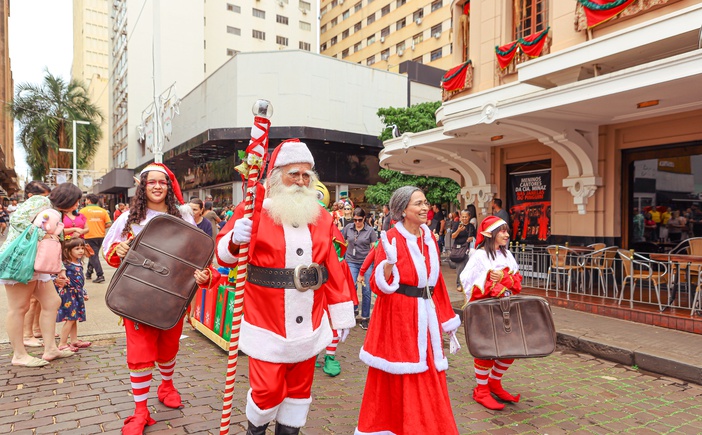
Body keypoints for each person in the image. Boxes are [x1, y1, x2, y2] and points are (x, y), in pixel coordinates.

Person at [215, 139, 355, 435]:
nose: (301, 181)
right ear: (277, 176)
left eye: (307, 175)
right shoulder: (252, 210)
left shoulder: (322, 217)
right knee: (266, 391)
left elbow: (333, 268)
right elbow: (223, 258)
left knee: (299, 392)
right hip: (266, 320)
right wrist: (235, 239)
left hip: (310, 322)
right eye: (294, 173)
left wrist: (341, 314)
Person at [102, 163, 211, 434]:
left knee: (168, 347)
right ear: (143, 186)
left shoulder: (184, 219)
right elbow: (109, 253)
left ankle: (167, 385)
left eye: (162, 182)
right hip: (137, 299)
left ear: (170, 186)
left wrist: (205, 276)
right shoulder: (127, 219)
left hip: (172, 297)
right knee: (139, 354)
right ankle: (140, 411)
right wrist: (121, 249)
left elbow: (198, 257)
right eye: (151, 182)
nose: (157, 186)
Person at [356, 186, 460, 435]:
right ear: (403, 210)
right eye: (418, 204)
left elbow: (437, 286)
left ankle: (431, 427)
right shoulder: (390, 237)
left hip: (426, 317)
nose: (425, 207)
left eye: (426, 202)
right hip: (398, 316)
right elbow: (377, 286)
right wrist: (389, 265)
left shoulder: (429, 239)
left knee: (429, 369)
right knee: (402, 371)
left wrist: (447, 322)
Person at [0, 182, 80, 367]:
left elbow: (55, 244)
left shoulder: (57, 213)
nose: (77, 206)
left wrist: (59, 270)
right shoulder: (40, 201)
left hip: (38, 265)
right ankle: (19, 355)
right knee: (19, 307)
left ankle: (51, 349)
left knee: (53, 302)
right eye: (76, 201)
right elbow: (17, 220)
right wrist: (40, 234)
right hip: (20, 260)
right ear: (67, 198)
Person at [460, 215, 524, 411]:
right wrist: (493, 281)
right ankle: (481, 390)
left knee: (510, 349)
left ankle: (494, 383)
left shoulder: (507, 255)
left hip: (506, 309)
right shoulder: (479, 256)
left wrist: (504, 278)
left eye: (506, 230)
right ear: (491, 234)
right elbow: (470, 284)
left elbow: (517, 282)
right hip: (485, 311)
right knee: (486, 350)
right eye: (502, 231)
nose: (507, 234)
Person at [341, 207, 378, 330]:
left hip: (365, 262)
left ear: (364, 219)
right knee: (352, 286)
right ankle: (353, 310)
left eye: (359, 220)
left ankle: (365, 317)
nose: (357, 222)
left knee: (366, 290)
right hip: (351, 261)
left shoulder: (370, 231)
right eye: (355, 220)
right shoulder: (348, 228)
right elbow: (340, 240)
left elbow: (374, 248)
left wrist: (375, 263)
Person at [55, 237, 90, 352]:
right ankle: (62, 343)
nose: (80, 251)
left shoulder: (78, 262)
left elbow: (79, 281)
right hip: (69, 294)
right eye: (77, 248)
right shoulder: (66, 265)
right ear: (68, 250)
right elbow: (59, 278)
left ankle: (74, 340)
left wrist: (83, 292)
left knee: (74, 318)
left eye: (82, 248)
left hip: (77, 293)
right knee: (70, 318)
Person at [80, 194, 112, 283]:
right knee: (93, 254)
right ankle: (89, 272)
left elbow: (79, 223)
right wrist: (100, 227)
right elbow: (109, 223)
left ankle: (100, 275)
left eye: (86, 200)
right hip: (101, 236)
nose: (85, 201)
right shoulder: (103, 211)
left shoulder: (82, 211)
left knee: (93, 255)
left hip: (88, 235)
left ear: (89, 200)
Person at [451, 209, 476, 292]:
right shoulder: (457, 224)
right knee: (460, 267)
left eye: (466, 217)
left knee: (469, 267)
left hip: (468, 249)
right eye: (463, 217)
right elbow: (453, 236)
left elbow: (475, 237)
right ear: (460, 217)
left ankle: (467, 284)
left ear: (469, 217)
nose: (464, 218)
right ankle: (459, 283)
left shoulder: (471, 226)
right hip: (459, 249)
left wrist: (472, 238)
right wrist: (459, 230)